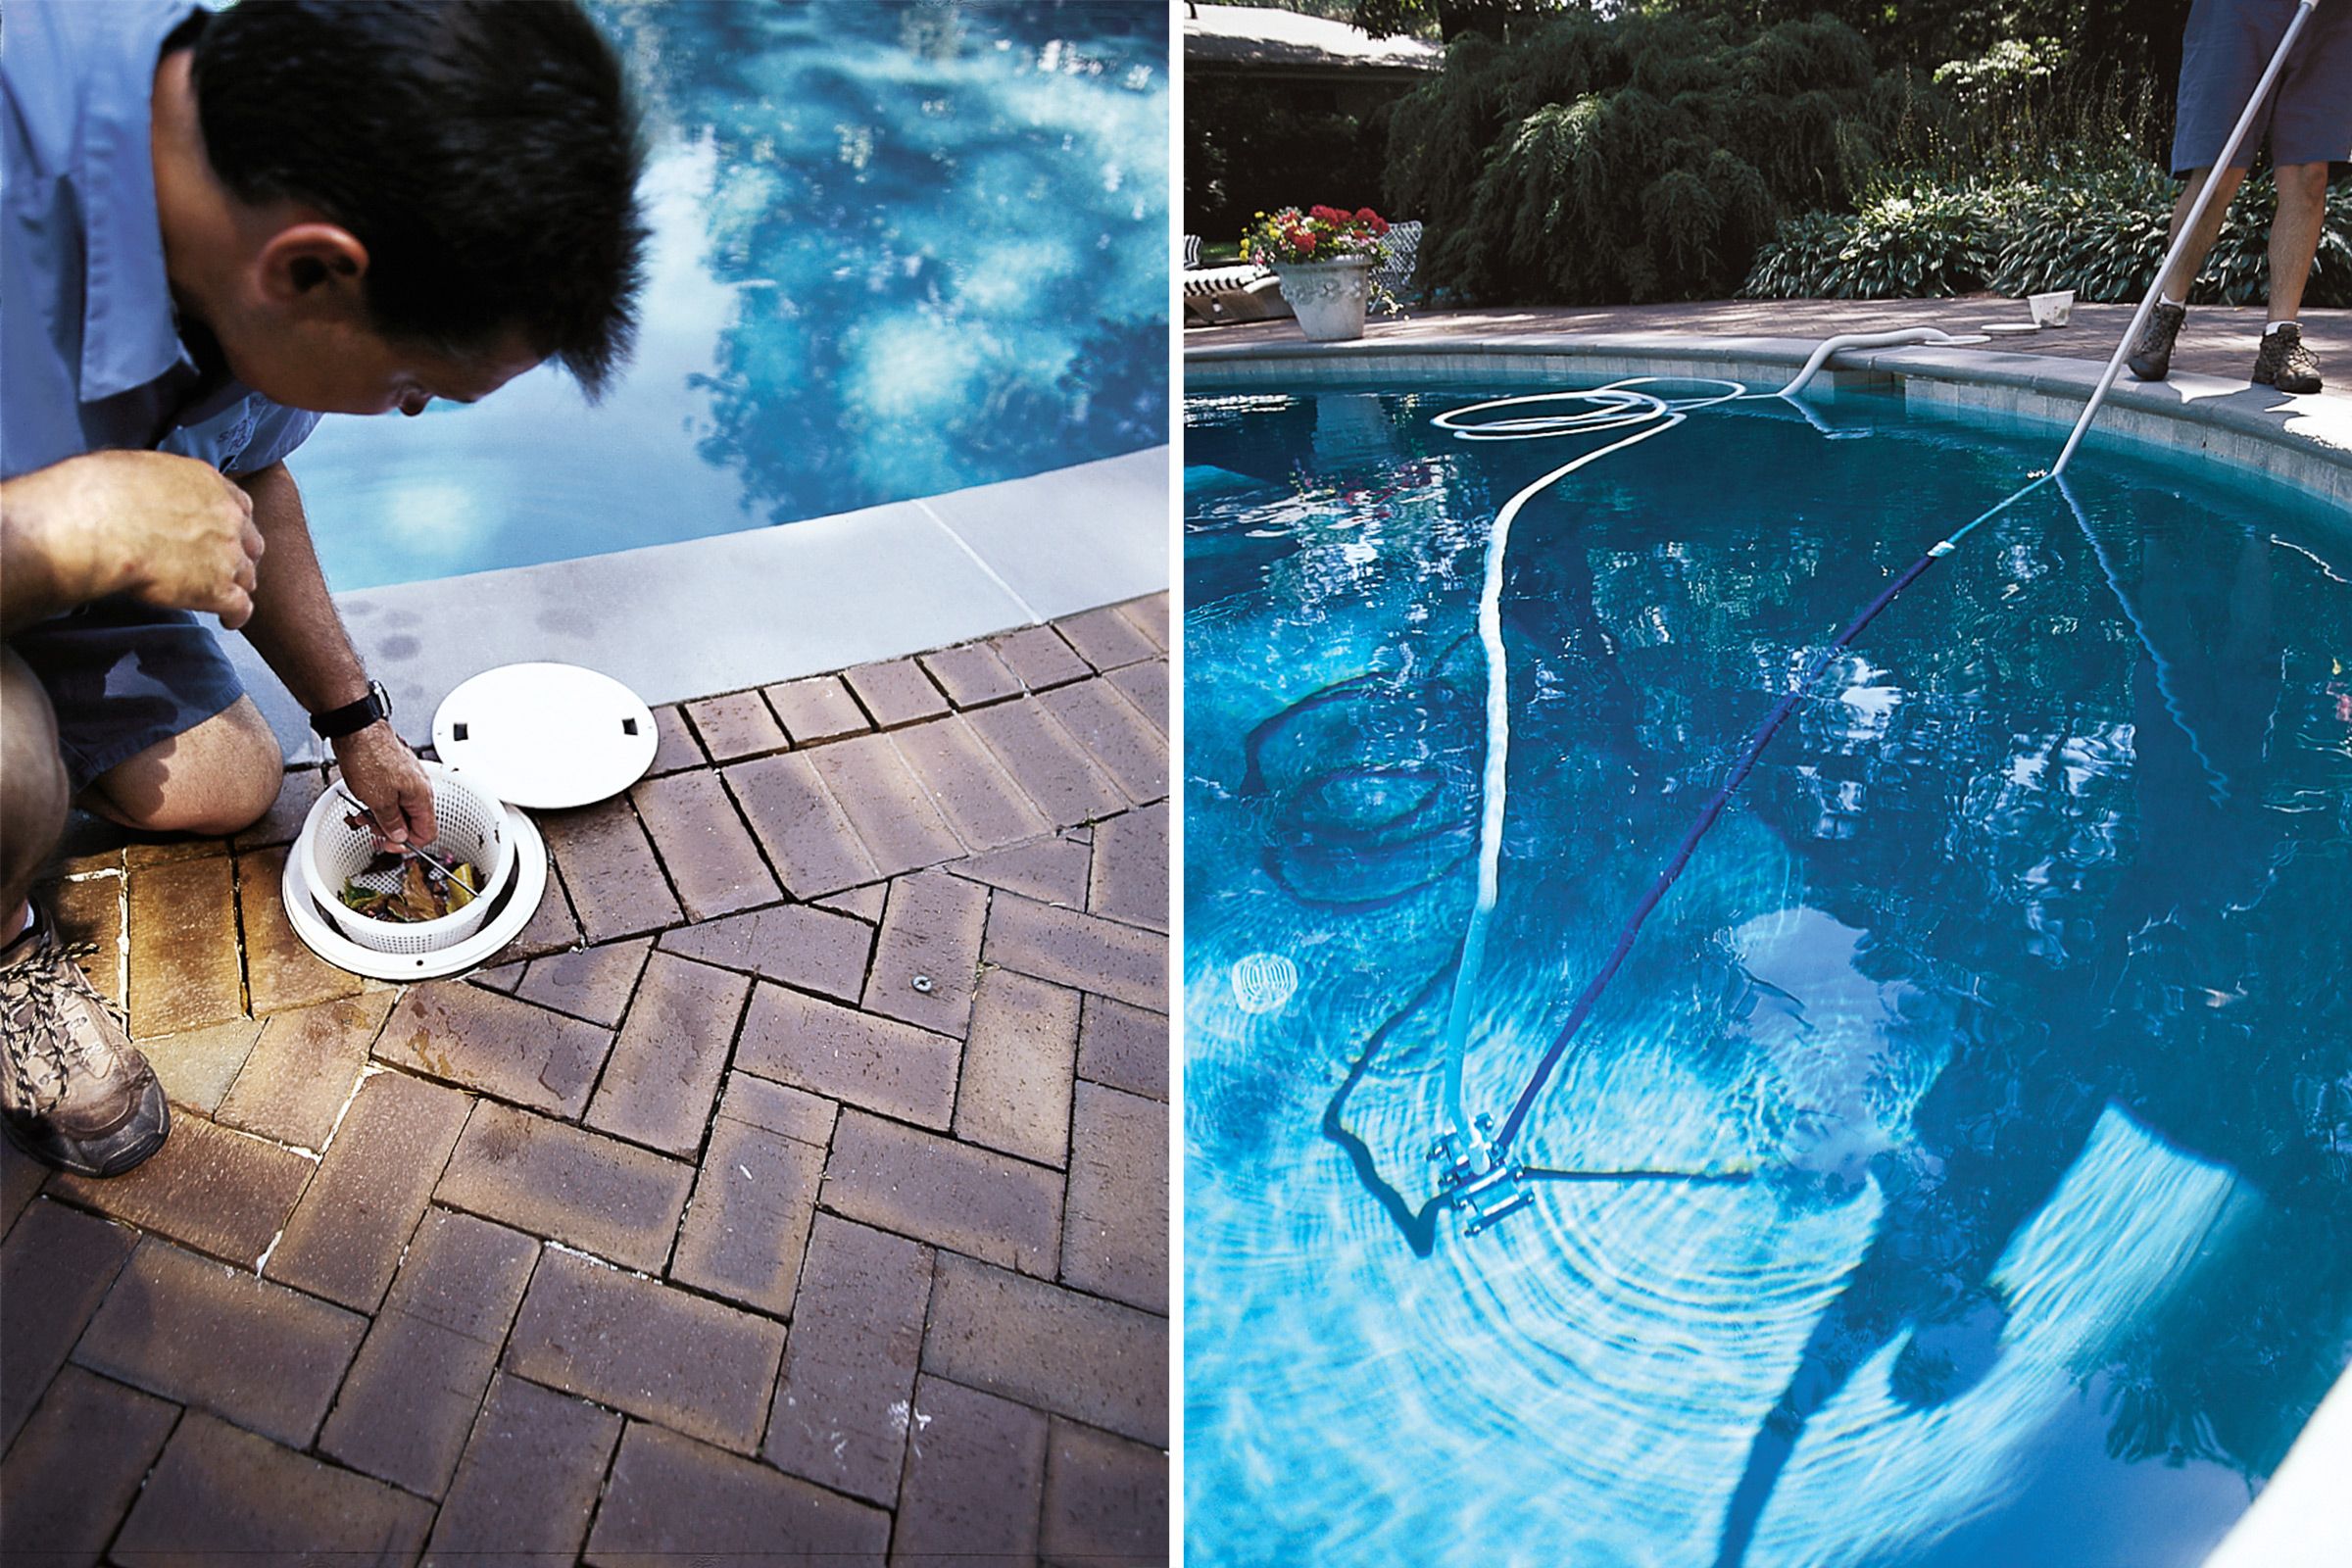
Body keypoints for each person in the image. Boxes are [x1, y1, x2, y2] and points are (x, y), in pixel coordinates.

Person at [0, 0, 648, 1176]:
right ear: (308, 272)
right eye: (409, 387)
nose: (396, 411)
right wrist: (55, 532)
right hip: (35, 526)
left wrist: (357, 726)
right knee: (8, 766)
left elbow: (255, 465)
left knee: (230, 781)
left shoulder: (250, 187)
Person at [2127, 0, 2351, 394]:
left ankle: (2279, 342)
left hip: (2328, 16)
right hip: (2238, 11)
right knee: (2218, 173)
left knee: (2309, 176)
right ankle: (2167, 311)